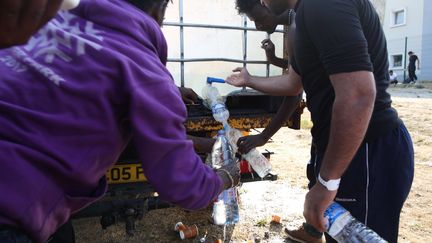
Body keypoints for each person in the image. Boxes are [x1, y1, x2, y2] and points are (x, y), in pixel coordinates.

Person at [0, 1, 240, 242]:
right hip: (13, 207)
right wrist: (225, 178)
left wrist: (169, 90)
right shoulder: (146, 70)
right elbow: (184, 184)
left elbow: (80, 73)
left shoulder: (45, 23)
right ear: (160, 9)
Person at [227, 0, 414, 243]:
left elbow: (357, 95)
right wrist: (249, 79)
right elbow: (293, 83)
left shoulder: (323, 5)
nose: (262, 1)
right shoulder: (304, 16)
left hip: (366, 151)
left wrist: (327, 182)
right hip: (345, 149)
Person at [234, 0, 300, 155]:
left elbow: (294, 92)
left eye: (259, 18)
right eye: (254, 22)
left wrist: (264, 136)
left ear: (266, 4)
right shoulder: (294, 21)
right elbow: (302, 69)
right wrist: (274, 59)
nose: (258, 26)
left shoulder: (297, 27)